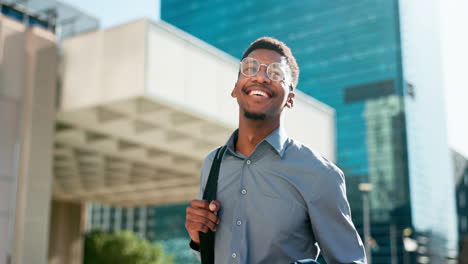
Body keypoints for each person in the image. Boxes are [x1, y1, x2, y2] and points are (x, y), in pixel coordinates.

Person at [185, 37, 366, 264]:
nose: (260, 76)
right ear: (235, 88)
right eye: (250, 68)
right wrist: (198, 239)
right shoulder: (212, 163)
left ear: (290, 98)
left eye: (276, 73)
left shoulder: (321, 174)